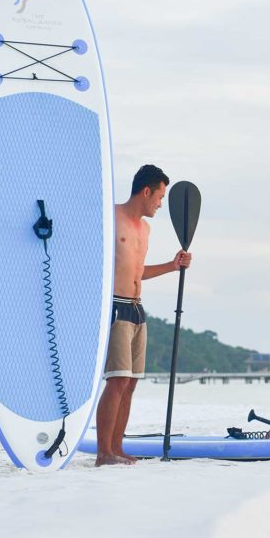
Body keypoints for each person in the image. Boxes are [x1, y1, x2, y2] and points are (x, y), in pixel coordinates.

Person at [95, 164, 192, 466]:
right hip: (114, 305)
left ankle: (117, 447)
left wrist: (173, 265)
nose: (161, 204)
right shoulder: (110, 218)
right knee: (117, 380)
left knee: (132, 382)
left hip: (137, 309)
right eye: (160, 197)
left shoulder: (145, 230)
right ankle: (103, 453)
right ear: (146, 191)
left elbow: (138, 271)